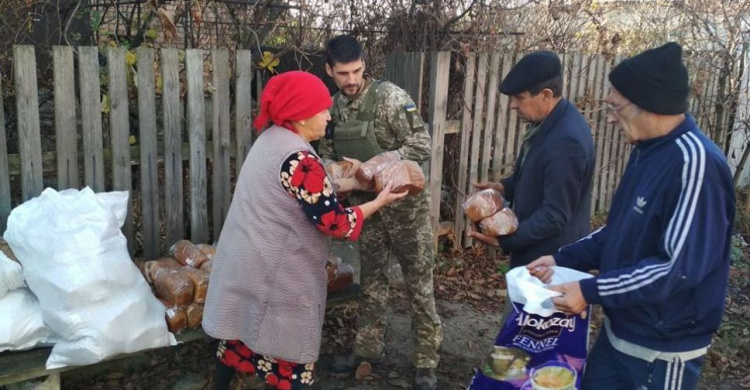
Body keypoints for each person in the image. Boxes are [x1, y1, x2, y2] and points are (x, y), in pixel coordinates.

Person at [527, 42, 735, 389]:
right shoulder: (646, 152)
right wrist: (562, 258)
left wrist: (590, 290)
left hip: (661, 348)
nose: (609, 117)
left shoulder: (695, 165)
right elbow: (618, 230)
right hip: (620, 331)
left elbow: (675, 270)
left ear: (650, 104)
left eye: (615, 106)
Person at [202, 71, 407, 390]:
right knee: (289, 357)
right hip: (276, 273)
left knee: (238, 339)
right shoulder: (300, 159)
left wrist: (351, 182)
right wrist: (379, 201)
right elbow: (336, 223)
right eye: (322, 110)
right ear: (299, 115)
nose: (329, 116)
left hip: (245, 261)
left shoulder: (271, 139)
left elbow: (305, 193)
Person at [318, 35, 443, 390]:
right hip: (367, 211)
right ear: (330, 70)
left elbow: (421, 145)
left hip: (406, 211)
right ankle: (367, 352)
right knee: (371, 283)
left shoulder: (390, 98)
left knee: (419, 285)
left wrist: (374, 166)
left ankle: (426, 362)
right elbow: (326, 152)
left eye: (357, 71)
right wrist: (338, 173)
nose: (352, 80)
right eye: (343, 73)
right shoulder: (332, 109)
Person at [468, 51, 595, 322]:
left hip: (550, 265)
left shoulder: (567, 140)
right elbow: (537, 177)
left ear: (546, 95)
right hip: (535, 257)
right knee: (520, 339)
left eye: (519, 98)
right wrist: (502, 187)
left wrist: (506, 240)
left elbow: (556, 214)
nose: (513, 105)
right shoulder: (549, 124)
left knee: (534, 346)